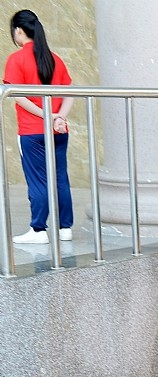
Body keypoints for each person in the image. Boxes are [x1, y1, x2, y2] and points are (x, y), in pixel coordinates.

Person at [5, 9, 74, 244]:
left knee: (38, 180)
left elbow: (18, 96)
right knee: (60, 178)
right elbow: (70, 92)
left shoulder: (16, 59)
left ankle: (38, 230)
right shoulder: (54, 58)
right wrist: (59, 117)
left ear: (19, 30)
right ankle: (65, 228)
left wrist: (48, 115)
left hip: (31, 132)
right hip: (58, 130)